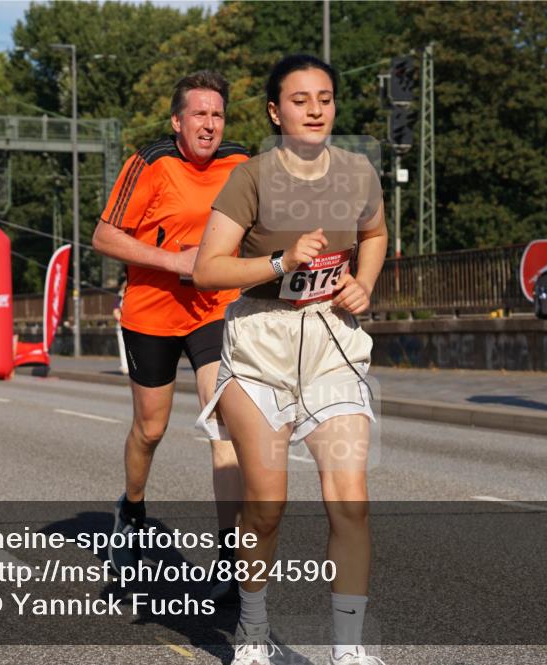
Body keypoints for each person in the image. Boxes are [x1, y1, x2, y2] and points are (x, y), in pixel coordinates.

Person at [193, 54, 387, 665]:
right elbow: (207, 270)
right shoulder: (250, 178)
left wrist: (364, 283)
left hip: (333, 340)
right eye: (300, 100)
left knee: (348, 499)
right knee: (267, 505)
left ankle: (348, 651)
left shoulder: (359, 173)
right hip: (261, 347)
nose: (315, 109)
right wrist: (281, 264)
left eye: (325, 98)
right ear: (276, 112)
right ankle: (252, 631)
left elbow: (375, 235)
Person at [90, 71, 249, 600]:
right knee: (150, 429)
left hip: (214, 306)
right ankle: (132, 510)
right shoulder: (151, 162)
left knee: (223, 418)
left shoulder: (241, 163)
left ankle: (229, 553)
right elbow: (105, 236)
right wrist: (173, 260)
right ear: (178, 121)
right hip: (152, 311)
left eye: (217, 114)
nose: (209, 124)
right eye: (199, 114)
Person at [112, 279, 129, 375]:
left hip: (133, 326)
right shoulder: (119, 296)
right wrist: (122, 321)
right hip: (122, 326)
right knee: (123, 346)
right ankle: (125, 366)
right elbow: (115, 312)